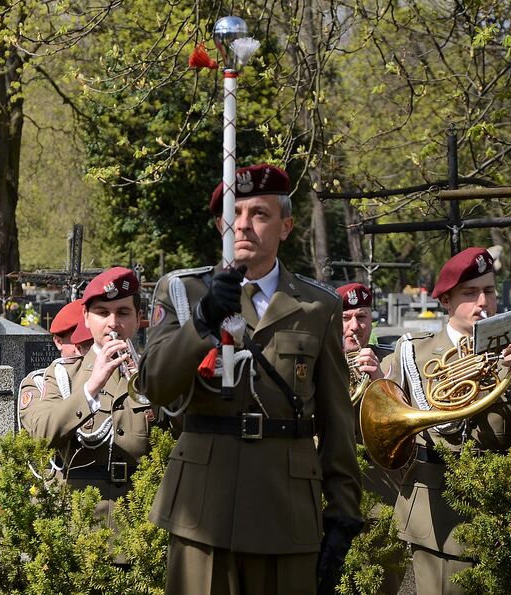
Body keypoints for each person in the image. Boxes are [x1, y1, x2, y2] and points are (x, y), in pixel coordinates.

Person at [136, 163, 363, 594]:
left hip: (286, 506)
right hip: (203, 506)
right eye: (233, 213)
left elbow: (337, 421)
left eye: (258, 213)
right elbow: (155, 385)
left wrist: (343, 511)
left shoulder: (318, 307)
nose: (243, 225)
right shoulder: (185, 293)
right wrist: (202, 323)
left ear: (286, 226)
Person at [380, 247, 511, 595]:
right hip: (435, 512)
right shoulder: (413, 354)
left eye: (489, 291)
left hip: (497, 510)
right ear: (446, 301)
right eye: (470, 293)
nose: (483, 302)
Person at [25, 267, 167, 527]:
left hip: (143, 525)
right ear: (86, 318)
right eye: (102, 313)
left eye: (123, 313)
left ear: (138, 318)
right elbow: (40, 435)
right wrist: (90, 388)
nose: (113, 323)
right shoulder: (62, 376)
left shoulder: (160, 376)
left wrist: (156, 391)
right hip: (81, 526)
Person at [337, 282, 405, 594]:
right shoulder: (316, 362)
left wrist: (378, 379)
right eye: (346, 317)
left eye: (362, 317)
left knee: (382, 582)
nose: (355, 326)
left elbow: (401, 420)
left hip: (379, 492)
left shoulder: (391, 362)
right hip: (329, 490)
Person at [18, 299, 93, 432]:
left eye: (92, 343)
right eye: (79, 344)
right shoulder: (38, 383)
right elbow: (40, 432)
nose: (87, 351)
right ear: (58, 342)